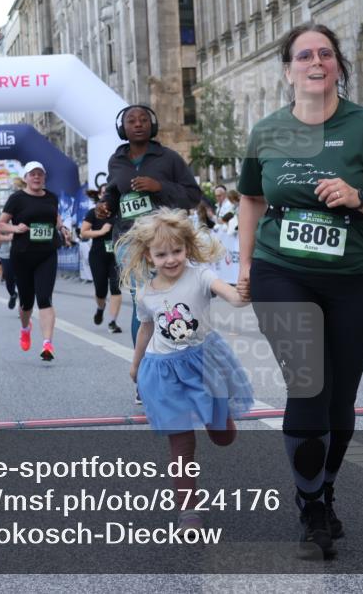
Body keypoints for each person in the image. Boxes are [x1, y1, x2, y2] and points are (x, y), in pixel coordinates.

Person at [236, 23, 363, 558]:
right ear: (288, 68)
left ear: (338, 66)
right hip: (281, 271)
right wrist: (245, 264)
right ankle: (310, 506)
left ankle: (324, 490)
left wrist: (357, 196)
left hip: (354, 277)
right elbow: (250, 199)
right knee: (308, 384)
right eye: (305, 55)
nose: (317, 62)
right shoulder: (267, 131)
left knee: (340, 400)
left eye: (326, 54)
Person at [123, 208, 253, 535]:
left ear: (187, 248)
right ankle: (188, 508)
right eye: (161, 254)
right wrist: (136, 364)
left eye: (177, 251)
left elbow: (232, 297)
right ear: (148, 256)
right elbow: (145, 330)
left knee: (224, 437)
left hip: (203, 364)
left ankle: (218, 418)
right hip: (162, 371)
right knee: (181, 444)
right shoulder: (147, 293)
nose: (170, 259)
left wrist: (243, 293)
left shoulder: (201, 276)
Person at [96, 104, 202, 349]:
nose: (138, 124)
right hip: (129, 240)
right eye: (131, 121)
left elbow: (193, 196)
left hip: (164, 241)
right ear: (122, 129)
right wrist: (104, 206)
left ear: (152, 125)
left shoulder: (169, 158)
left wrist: (159, 187)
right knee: (141, 304)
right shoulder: (117, 160)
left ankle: (174, 356)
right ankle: (144, 371)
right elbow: (113, 194)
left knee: (170, 301)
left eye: (143, 120)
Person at [0, 161, 72, 361]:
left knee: (45, 298)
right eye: (32, 174)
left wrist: (62, 228)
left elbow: (54, 218)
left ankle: (47, 344)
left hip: (47, 253)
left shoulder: (51, 198)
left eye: (40, 174)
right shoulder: (17, 199)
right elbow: (1, 225)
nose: (37, 177)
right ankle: (25, 328)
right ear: (26, 178)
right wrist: (15, 229)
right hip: (22, 254)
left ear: (44, 177)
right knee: (27, 302)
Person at [81, 188, 123, 333]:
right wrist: (101, 231)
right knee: (101, 290)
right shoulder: (93, 213)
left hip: (116, 255)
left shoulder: (119, 212)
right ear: (99, 196)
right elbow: (83, 233)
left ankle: (112, 321)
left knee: (115, 287)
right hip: (98, 255)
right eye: (104, 193)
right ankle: (100, 308)